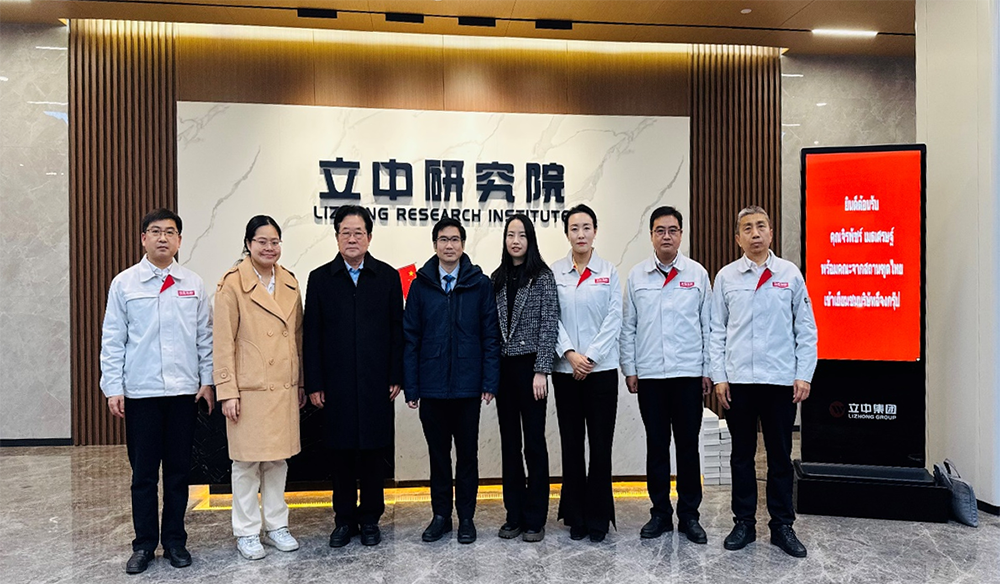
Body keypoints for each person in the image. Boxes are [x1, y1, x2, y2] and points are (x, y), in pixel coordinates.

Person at [99, 208, 214, 574]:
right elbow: (113, 340)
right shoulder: (125, 284)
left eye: (170, 232)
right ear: (143, 238)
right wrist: (113, 387)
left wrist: (207, 381)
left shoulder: (193, 283)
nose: (163, 238)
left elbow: (205, 338)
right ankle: (144, 544)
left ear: (179, 240)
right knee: (144, 475)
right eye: (155, 231)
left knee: (179, 473)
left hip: (183, 394)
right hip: (141, 394)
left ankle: (176, 541)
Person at [710, 205, 817, 558]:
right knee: (741, 456)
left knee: (780, 457)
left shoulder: (790, 274)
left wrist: (803, 374)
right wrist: (719, 377)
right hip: (739, 382)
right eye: (747, 228)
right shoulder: (726, 277)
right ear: (737, 238)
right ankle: (743, 523)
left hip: (779, 381)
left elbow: (806, 329)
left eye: (761, 226)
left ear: (771, 233)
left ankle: (782, 525)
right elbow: (716, 331)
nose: (755, 233)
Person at [304, 205, 404, 548]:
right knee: (341, 453)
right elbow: (312, 335)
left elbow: (397, 330)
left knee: (374, 453)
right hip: (336, 384)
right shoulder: (320, 279)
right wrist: (314, 382)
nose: (351, 238)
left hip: (377, 381)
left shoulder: (387, 277)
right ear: (336, 237)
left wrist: (396, 374)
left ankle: (371, 518)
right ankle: (344, 520)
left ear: (369, 237)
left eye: (358, 232)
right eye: (345, 232)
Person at [403, 217, 501, 545]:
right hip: (431, 387)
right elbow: (411, 338)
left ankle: (467, 518)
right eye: (443, 239)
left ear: (463, 244)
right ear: (435, 245)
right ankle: (441, 516)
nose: (449, 245)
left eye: (455, 239)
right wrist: (412, 386)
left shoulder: (479, 284)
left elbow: (490, 336)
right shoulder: (421, 285)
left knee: (468, 456)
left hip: (468, 387)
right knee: (438, 456)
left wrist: (489, 382)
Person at [213, 215, 305, 560]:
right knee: (246, 464)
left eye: (275, 242)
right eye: (262, 241)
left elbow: (297, 339)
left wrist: (300, 382)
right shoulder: (232, 284)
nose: (269, 248)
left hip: (282, 387)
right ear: (248, 244)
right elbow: (222, 341)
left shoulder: (290, 282)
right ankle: (247, 531)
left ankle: (277, 525)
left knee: (278, 461)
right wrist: (227, 391)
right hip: (249, 389)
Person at [620, 206, 712, 544]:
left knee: (688, 447)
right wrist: (630, 369)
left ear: (681, 235)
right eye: (660, 231)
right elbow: (628, 328)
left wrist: (707, 370)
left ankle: (689, 515)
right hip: (651, 378)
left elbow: (709, 326)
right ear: (651, 236)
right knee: (657, 446)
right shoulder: (637, 276)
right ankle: (660, 513)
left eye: (673, 230)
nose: (667, 236)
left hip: (688, 376)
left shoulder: (697, 274)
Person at [551, 204, 622, 543]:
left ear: (595, 231)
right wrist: (570, 354)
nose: (580, 234)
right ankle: (576, 515)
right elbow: (551, 317)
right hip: (565, 372)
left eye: (586, 227)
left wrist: (590, 357)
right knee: (572, 445)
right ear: (567, 234)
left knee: (601, 446)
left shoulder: (609, 271)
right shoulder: (555, 272)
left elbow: (614, 318)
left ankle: (598, 517)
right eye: (574, 228)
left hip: (601, 372)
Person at [490, 214, 559, 543]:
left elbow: (549, 325)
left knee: (534, 444)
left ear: (530, 240)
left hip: (532, 371)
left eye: (521, 235)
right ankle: (513, 514)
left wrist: (541, 370)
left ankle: (535, 517)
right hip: (504, 371)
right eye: (510, 235)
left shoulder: (542, 277)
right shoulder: (497, 278)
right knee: (509, 445)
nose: (515, 241)